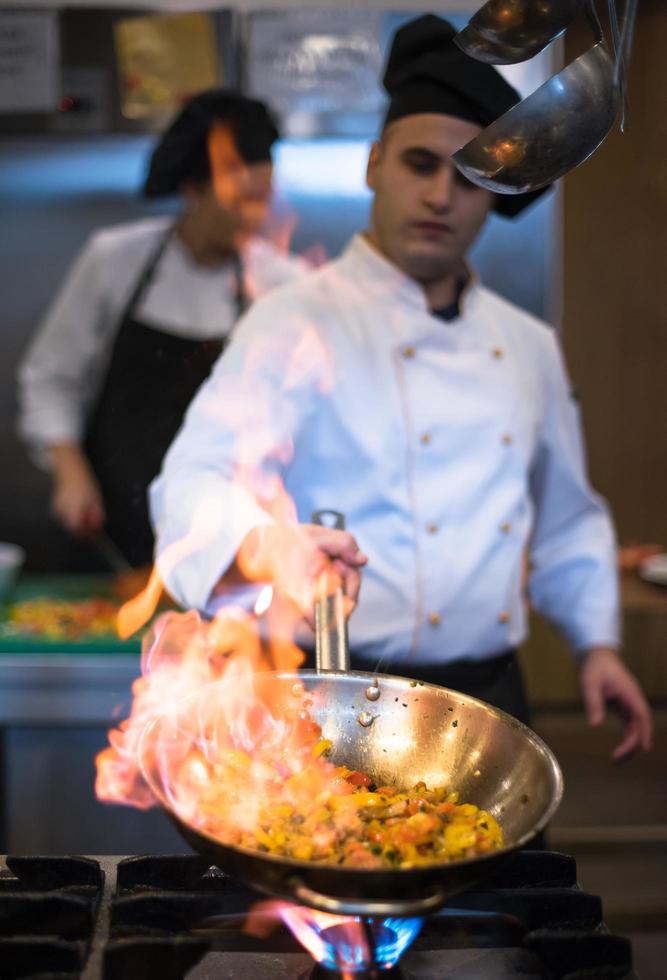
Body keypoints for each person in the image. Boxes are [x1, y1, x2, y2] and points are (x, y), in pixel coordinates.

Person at [149, 17, 652, 760]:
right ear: (374, 164)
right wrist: (261, 543)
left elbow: (567, 518)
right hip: (328, 699)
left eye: (468, 177)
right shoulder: (290, 321)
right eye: (419, 164)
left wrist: (595, 644)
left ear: (495, 194)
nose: (440, 196)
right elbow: (190, 480)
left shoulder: (526, 344)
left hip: (487, 703)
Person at [17, 88, 308, 569]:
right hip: (110, 533)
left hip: (230, 546)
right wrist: (69, 471)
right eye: (242, 199)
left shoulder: (284, 282)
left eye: (264, 197)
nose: (258, 215)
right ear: (193, 190)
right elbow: (51, 377)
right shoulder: (115, 259)